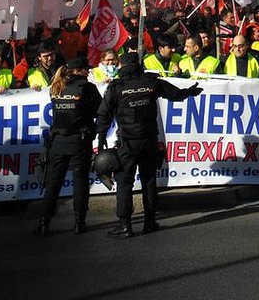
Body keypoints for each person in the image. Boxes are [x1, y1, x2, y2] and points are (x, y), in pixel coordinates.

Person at [95, 54, 203, 237]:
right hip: (149, 140)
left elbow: (103, 116)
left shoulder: (116, 87)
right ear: (138, 65)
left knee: (124, 183)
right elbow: (175, 94)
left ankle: (125, 225)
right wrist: (189, 92)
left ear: (123, 66)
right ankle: (150, 221)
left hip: (127, 143)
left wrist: (100, 139)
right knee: (149, 181)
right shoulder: (151, 82)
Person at [35, 57, 102, 235]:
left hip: (57, 141)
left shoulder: (56, 87)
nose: (88, 72)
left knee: (53, 184)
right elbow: (100, 110)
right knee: (80, 182)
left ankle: (44, 223)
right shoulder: (87, 88)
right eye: (85, 69)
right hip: (79, 140)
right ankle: (79, 223)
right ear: (78, 71)